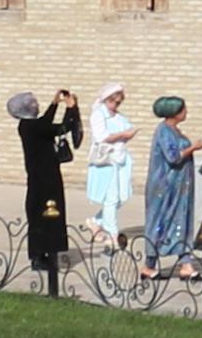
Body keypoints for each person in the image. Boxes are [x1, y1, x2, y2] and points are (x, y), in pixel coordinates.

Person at [11, 90, 77, 269]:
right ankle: (41, 255)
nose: (36, 106)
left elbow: (44, 122)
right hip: (45, 178)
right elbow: (62, 128)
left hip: (39, 177)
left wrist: (55, 103)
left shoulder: (27, 125)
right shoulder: (34, 128)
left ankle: (42, 252)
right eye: (33, 104)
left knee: (40, 213)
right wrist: (72, 109)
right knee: (46, 212)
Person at [143, 95, 202, 274]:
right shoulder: (164, 131)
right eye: (183, 110)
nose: (186, 112)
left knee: (181, 220)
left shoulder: (175, 131)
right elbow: (173, 157)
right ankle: (149, 264)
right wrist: (194, 148)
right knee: (161, 222)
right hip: (164, 187)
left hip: (180, 187)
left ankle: (185, 262)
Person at [82, 85, 137, 244]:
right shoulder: (98, 115)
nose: (116, 105)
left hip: (120, 159)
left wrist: (127, 135)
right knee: (111, 198)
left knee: (122, 196)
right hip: (106, 160)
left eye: (119, 102)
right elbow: (101, 137)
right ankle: (112, 234)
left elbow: (125, 130)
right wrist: (122, 134)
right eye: (114, 102)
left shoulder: (118, 116)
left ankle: (96, 221)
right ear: (107, 99)